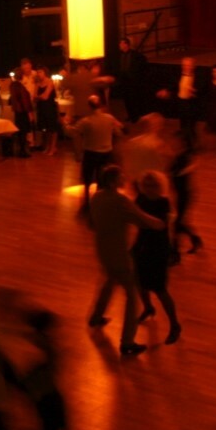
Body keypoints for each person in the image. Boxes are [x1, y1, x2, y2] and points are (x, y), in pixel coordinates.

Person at [87, 165, 166, 356]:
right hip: (120, 254)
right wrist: (161, 223)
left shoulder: (96, 197)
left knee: (108, 281)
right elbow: (142, 219)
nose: (125, 179)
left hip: (102, 250)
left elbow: (95, 222)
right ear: (114, 181)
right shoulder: (121, 201)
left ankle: (96, 317)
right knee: (132, 296)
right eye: (121, 177)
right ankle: (127, 342)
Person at [132, 171, 182, 344]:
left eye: (153, 185)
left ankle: (175, 325)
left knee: (160, 289)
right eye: (146, 185)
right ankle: (148, 308)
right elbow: (137, 221)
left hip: (158, 249)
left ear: (160, 186)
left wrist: (139, 216)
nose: (149, 188)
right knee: (140, 283)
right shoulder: (141, 199)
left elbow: (160, 225)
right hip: (142, 246)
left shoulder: (163, 203)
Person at [69, 95, 123, 211]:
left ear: (89, 106)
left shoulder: (86, 121)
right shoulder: (109, 118)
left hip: (90, 153)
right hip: (106, 153)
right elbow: (118, 133)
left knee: (87, 179)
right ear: (101, 105)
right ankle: (99, 201)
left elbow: (73, 132)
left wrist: (64, 123)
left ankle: (87, 201)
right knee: (102, 178)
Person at [168, 131, 203, 262]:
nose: (174, 142)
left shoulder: (185, 156)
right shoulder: (180, 155)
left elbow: (186, 168)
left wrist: (181, 171)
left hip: (185, 194)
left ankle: (175, 253)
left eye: (177, 140)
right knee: (179, 222)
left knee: (176, 223)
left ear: (183, 142)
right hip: (180, 193)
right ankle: (195, 239)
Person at [157, 57, 202, 148]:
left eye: (188, 65)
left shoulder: (198, 77)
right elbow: (174, 85)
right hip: (181, 103)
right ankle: (185, 142)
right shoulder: (178, 75)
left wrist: (194, 92)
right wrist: (166, 90)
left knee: (190, 125)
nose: (186, 67)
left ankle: (190, 145)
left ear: (193, 66)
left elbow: (202, 90)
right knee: (183, 123)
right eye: (184, 65)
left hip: (191, 104)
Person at [116, 36, 149, 124]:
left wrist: (138, 76)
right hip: (124, 81)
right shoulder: (120, 55)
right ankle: (130, 115)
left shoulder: (135, 55)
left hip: (133, 82)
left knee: (134, 99)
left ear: (126, 45)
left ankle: (135, 116)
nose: (120, 45)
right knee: (126, 100)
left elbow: (143, 64)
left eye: (121, 43)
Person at [34, 66, 60, 156]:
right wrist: (39, 97)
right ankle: (48, 146)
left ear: (45, 73)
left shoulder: (50, 82)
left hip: (50, 107)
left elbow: (45, 96)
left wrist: (38, 97)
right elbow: (34, 96)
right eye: (37, 72)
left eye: (40, 72)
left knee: (52, 128)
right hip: (41, 107)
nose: (38, 74)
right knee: (45, 129)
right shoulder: (38, 83)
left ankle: (53, 147)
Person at [9, 68, 34, 158]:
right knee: (23, 131)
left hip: (17, 111)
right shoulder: (20, 86)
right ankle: (23, 150)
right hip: (22, 111)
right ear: (22, 76)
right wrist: (30, 112)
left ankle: (21, 149)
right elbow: (25, 101)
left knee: (20, 131)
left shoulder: (12, 85)